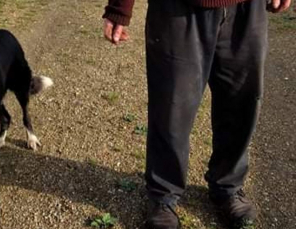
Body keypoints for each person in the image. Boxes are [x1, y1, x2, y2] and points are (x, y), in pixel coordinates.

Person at [102, 0, 293, 228]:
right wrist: (119, 8)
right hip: (177, 9)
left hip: (246, 8)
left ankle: (228, 185)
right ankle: (164, 194)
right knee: (171, 108)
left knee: (241, 103)